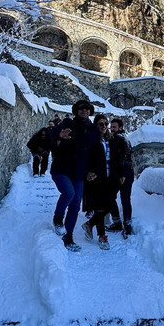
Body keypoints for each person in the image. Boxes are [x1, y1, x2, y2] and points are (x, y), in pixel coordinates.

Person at [49, 100, 103, 251]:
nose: (84, 111)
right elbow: (50, 136)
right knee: (69, 193)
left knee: (75, 206)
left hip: (80, 172)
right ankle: (58, 218)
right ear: (76, 111)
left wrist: (93, 170)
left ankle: (68, 237)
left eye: (87, 109)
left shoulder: (93, 130)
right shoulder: (67, 123)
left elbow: (96, 153)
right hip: (61, 168)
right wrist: (59, 136)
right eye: (81, 109)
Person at [81, 115, 117, 250]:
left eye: (105, 124)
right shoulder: (90, 139)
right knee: (100, 208)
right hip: (96, 177)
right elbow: (85, 157)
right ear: (95, 125)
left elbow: (115, 159)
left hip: (110, 178)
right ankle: (102, 236)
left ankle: (90, 224)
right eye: (100, 124)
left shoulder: (110, 140)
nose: (103, 126)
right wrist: (89, 171)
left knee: (108, 206)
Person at [107, 118, 135, 238]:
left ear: (120, 127)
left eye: (114, 127)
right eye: (111, 127)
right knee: (124, 199)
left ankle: (119, 223)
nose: (112, 129)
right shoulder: (124, 138)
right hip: (126, 173)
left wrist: (122, 174)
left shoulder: (118, 138)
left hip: (122, 174)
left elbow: (123, 156)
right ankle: (126, 225)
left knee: (112, 197)